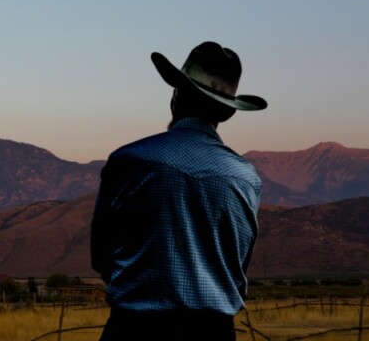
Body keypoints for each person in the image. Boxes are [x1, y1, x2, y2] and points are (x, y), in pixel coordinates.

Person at [90, 41, 267, 340]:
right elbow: (238, 268)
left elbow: (101, 255)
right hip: (215, 332)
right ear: (227, 113)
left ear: (176, 96)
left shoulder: (131, 160)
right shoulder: (247, 179)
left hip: (136, 329)